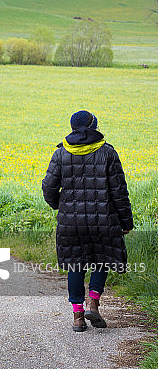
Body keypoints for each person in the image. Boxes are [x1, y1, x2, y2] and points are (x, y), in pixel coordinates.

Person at [42, 110, 133, 332]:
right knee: (102, 259)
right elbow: (119, 192)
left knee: (75, 264)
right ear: (94, 127)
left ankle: (78, 317)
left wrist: (61, 205)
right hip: (104, 220)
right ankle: (93, 301)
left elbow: (48, 188)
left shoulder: (61, 153)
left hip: (70, 222)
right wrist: (126, 222)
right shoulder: (108, 153)